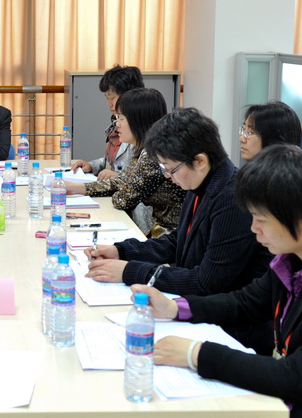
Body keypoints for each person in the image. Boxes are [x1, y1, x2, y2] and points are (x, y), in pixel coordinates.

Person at [135, 145, 302, 417]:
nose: (254, 229)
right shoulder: (295, 253)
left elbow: (297, 376)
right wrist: (174, 308)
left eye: (261, 219)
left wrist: (196, 354)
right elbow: (246, 303)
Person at [86, 107, 273, 352]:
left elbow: (206, 283)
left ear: (200, 161)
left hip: (232, 332)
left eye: (170, 168)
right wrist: (121, 251)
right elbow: (178, 242)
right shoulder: (202, 184)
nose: (168, 176)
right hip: (200, 314)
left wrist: (130, 271)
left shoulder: (232, 198)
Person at [65, 88, 186, 237]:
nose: (117, 125)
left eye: (121, 119)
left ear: (138, 120)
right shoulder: (144, 150)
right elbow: (124, 181)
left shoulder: (152, 156)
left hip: (170, 236)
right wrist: (78, 188)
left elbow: (122, 199)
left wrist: (122, 186)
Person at [71, 65, 144, 180]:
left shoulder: (141, 129)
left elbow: (143, 176)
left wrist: (119, 177)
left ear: (129, 95)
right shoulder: (116, 123)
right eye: (107, 98)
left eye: (112, 98)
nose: (109, 104)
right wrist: (92, 166)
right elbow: (110, 161)